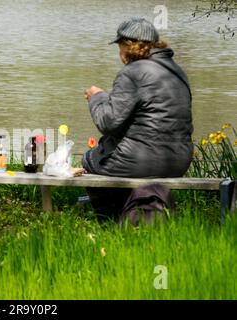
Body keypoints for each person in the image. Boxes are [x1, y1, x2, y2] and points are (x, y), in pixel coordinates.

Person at [82, 17, 193, 221]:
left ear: (127, 46)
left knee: (90, 159)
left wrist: (96, 97)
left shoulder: (132, 72)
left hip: (142, 162)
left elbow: (107, 123)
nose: (119, 54)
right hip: (179, 161)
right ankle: (138, 217)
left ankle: (111, 224)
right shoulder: (177, 72)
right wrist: (107, 98)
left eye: (119, 47)